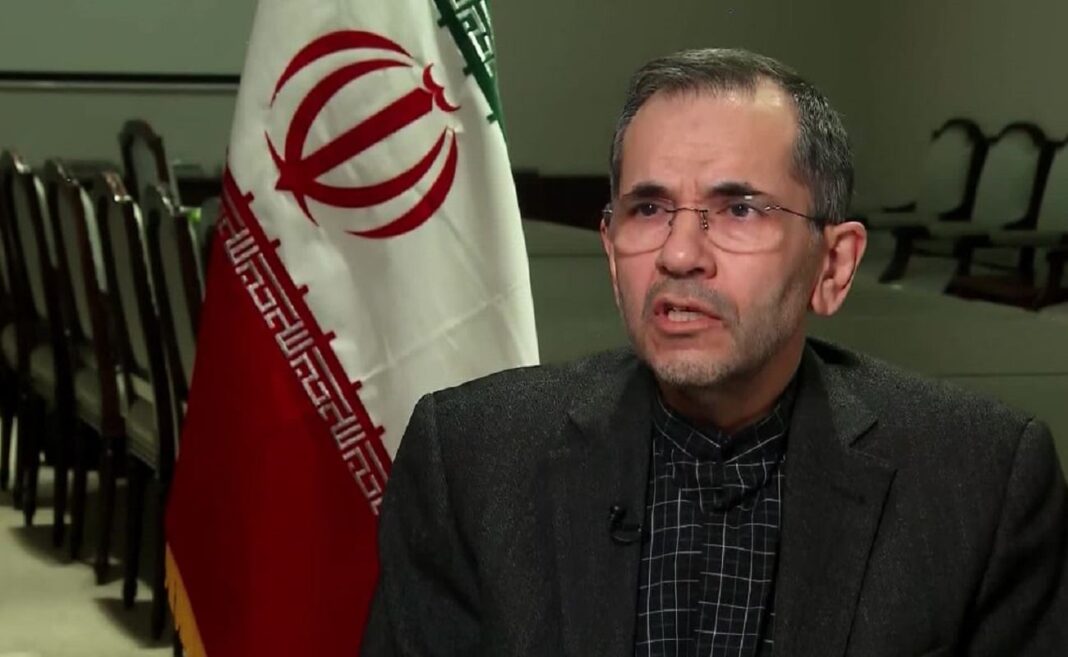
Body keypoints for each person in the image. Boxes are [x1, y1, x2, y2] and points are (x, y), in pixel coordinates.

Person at [361, 48, 1068, 656]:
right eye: (648, 208)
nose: (678, 254)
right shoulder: (470, 460)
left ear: (834, 266)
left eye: (739, 210)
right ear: (611, 251)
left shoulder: (982, 483)